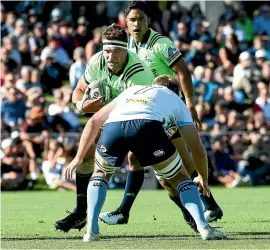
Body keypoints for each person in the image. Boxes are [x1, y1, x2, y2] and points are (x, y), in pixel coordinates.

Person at [100, 0, 223, 226]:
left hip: (166, 110)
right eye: (132, 20)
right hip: (148, 110)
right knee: (145, 159)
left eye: (141, 19)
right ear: (125, 22)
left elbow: (183, 72)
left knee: (170, 162)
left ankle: (204, 207)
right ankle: (209, 206)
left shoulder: (160, 43)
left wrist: (190, 105)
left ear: (148, 21)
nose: (136, 24)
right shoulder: (127, 46)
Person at [64, 75, 227, 241]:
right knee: (180, 178)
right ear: (176, 92)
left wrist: (78, 157)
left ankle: (91, 231)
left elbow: (93, 122)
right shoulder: (175, 100)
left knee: (100, 174)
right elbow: (197, 148)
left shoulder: (132, 91)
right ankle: (204, 228)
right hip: (147, 126)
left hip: (114, 127)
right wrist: (203, 178)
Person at [54, 24, 155, 232]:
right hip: (110, 118)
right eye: (107, 51)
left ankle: (199, 210)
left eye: (116, 51)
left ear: (126, 49)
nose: (110, 56)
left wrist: (96, 107)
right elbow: (78, 91)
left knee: (164, 173)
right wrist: (83, 105)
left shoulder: (138, 73)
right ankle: (82, 213)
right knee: (92, 157)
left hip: (139, 117)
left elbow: (130, 111)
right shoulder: (97, 61)